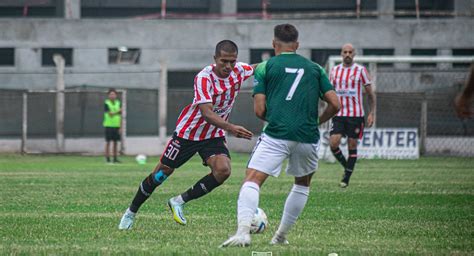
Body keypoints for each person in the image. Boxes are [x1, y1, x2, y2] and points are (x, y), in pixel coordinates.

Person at [220, 24, 340, 247]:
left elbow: (259, 110)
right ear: (297, 45)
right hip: (307, 136)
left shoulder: (265, 67)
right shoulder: (315, 69)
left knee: (252, 179)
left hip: (277, 133)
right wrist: (316, 122)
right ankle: (280, 237)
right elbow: (335, 104)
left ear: (274, 44)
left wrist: (279, 117)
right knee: (302, 184)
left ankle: (243, 232)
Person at [118, 40, 254, 230]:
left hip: (213, 135)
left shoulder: (239, 71)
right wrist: (231, 128)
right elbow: (206, 113)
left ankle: (179, 201)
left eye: (232, 61)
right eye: (224, 61)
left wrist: (284, 60)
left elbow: (259, 67)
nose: (228, 66)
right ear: (215, 59)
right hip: (188, 134)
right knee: (160, 174)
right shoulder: (203, 78)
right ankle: (130, 212)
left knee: (223, 171)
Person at [328, 43, 376, 188]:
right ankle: (347, 167)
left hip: (356, 115)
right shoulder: (335, 70)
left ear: (354, 54)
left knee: (352, 145)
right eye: (345, 52)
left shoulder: (361, 70)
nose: (347, 54)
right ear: (341, 54)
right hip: (339, 114)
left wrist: (371, 113)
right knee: (333, 143)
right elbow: (329, 92)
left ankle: (346, 178)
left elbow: (370, 94)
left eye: (350, 52)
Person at [103, 88, 122, 163]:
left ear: (116, 95)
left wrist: (120, 126)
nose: (112, 96)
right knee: (108, 142)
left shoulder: (118, 103)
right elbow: (110, 114)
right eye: (111, 94)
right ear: (108, 95)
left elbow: (120, 116)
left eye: (113, 94)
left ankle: (115, 158)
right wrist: (118, 111)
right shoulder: (106, 103)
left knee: (115, 142)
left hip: (116, 125)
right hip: (108, 125)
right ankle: (107, 158)